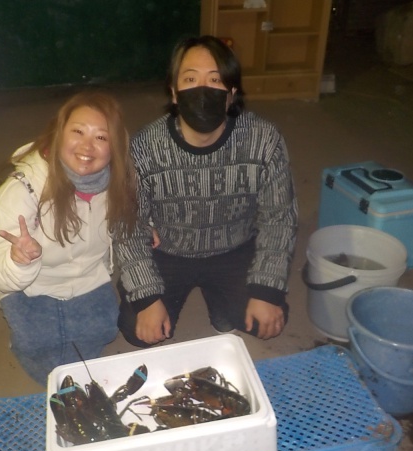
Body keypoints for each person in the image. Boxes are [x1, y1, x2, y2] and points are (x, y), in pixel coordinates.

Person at [115, 35, 298, 348]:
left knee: (266, 319)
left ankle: (221, 302)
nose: (202, 90)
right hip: (168, 250)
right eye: (190, 79)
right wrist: (147, 298)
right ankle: (209, 298)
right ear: (174, 93)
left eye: (215, 80)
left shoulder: (264, 139)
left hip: (235, 247)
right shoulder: (145, 146)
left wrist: (267, 290)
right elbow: (128, 226)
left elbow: (280, 217)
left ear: (231, 94)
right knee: (136, 330)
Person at [0, 91, 138, 386]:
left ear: (115, 147)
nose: (87, 146)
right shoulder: (22, 189)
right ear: (58, 134)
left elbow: (134, 212)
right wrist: (18, 260)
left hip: (87, 278)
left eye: (101, 137)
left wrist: (145, 226)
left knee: (105, 329)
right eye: (78, 132)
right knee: (37, 346)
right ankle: (23, 343)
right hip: (31, 285)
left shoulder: (119, 181)